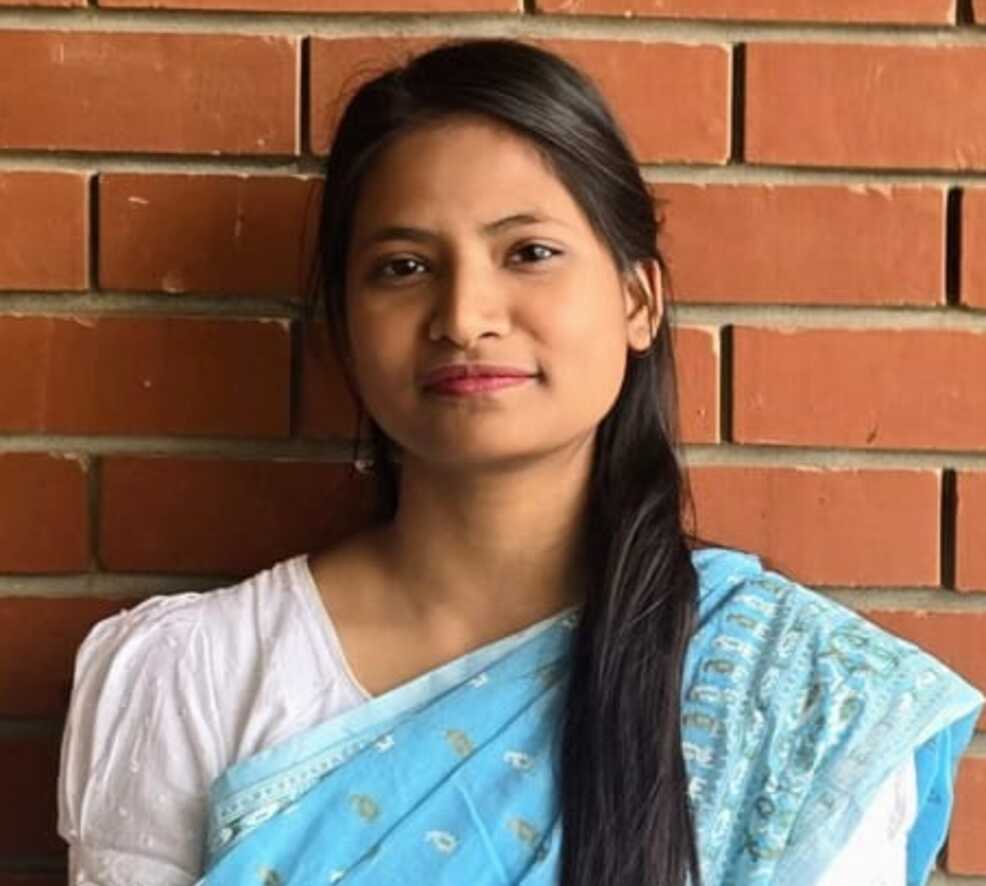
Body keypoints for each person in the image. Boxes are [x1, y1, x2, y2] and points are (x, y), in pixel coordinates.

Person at [57, 37, 983, 886]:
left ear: (638, 301)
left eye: (529, 252)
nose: (465, 317)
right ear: (342, 325)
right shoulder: (194, 675)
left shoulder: (798, 701)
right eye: (403, 267)